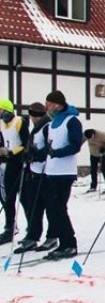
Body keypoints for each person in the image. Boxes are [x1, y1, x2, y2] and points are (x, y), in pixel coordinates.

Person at [41, 90, 83, 260]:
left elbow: (75, 145)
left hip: (65, 172)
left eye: (49, 104)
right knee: (53, 209)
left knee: (59, 209)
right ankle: (63, 243)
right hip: (51, 171)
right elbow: (50, 145)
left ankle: (69, 244)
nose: (47, 107)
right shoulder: (52, 123)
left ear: (58, 104)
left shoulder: (71, 121)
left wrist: (57, 153)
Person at [14, 103, 54, 253]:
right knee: (33, 206)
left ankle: (53, 236)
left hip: (46, 173)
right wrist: (27, 153)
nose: (31, 118)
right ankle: (32, 236)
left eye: (33, 115)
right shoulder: (36, 128)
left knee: (50, 207)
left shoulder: (47, 127)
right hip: (34, 172)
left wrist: (35, 155)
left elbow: (48, 149)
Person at [0, 99, 29, 245]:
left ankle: (31, 229)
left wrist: (11, 152)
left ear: (7, 111)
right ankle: (9, 228)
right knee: (8, 198)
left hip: (19, 162)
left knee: (24, 198)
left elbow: (25, 143)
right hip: (8, 163)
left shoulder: (20, 121)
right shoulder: (1, 124)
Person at [83, 129, 105, 193]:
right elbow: (81, 141)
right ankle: (93, 186)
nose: (90, 139)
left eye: (91, 137)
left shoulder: (101, 135)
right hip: (93, 154)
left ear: (93, 134)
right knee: (93, 171)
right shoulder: (86, 135)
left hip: (102, 155)